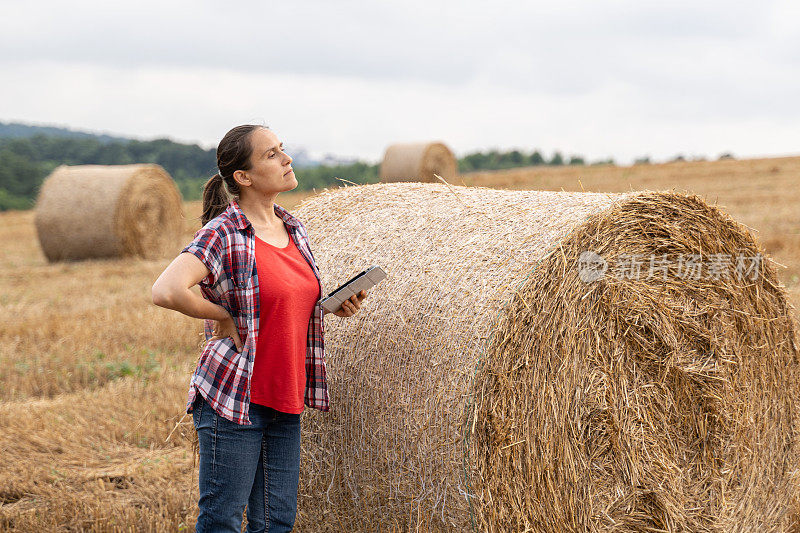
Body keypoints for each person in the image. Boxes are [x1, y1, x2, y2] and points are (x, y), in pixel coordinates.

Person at [151, 124, 367, 532]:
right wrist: (220, 314)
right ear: (243, 177)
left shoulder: (293, 228)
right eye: (272, 154)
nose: (286, 159)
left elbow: (281, 302)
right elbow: (165, 290)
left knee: (275, 523)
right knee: (223, 521)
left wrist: (330, 307)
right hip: (235, 398)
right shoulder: (224, 233)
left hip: (285, 396)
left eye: (282, 149)